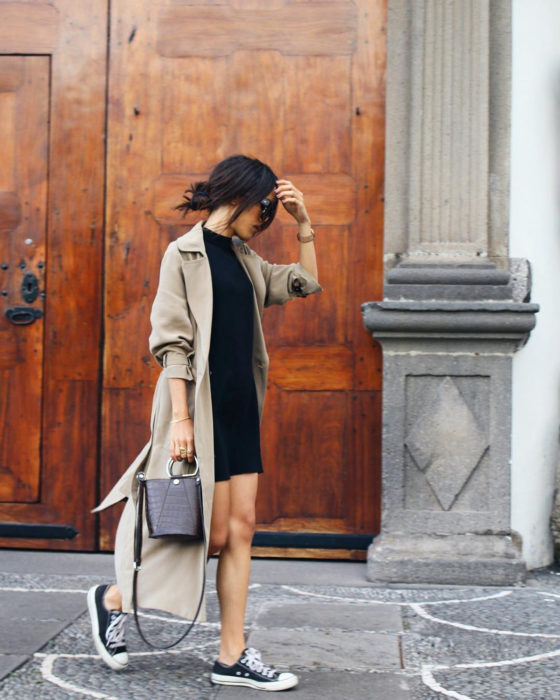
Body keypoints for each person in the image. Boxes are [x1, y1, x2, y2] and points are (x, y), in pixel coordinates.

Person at [87, 155, 322, 691]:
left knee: (242, 531)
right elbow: (171, 341)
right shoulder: (183, 254)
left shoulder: (244, 257)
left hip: (241, 407)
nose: (265, 219)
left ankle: (231, 656)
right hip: (197, 408)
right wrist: (183, 420)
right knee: (210, 532)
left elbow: (305, 283)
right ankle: (113, 599)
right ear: (239, 196)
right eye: (263, 208)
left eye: (270, 211)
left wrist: (303, 223)